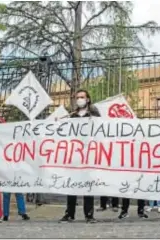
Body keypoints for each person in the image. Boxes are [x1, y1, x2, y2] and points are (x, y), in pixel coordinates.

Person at [59, 89, 100, 224]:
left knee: (87, 185)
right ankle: (69, 214)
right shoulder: (72, 116)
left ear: (88, 99)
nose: (79, 99)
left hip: (89, 154)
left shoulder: (94, 115)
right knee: (72, 185)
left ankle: (89, 215)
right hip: (74, 155)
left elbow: (101, 132)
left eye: (82, 97)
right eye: (77, 97)